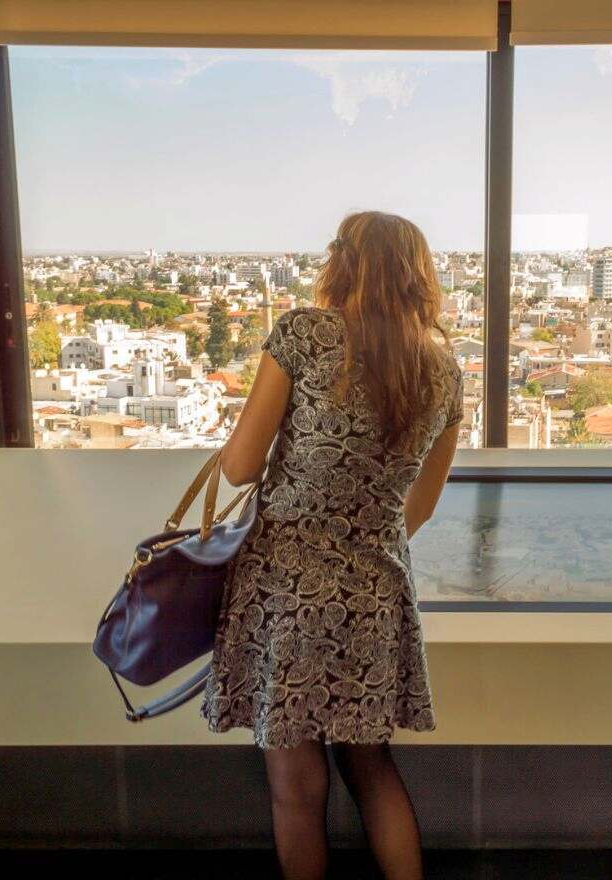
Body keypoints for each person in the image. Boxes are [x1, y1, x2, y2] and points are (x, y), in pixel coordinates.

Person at [201, 211, 464, 880]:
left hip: (285, 587)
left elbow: (238, 466)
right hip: (375, 587)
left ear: (339, 263)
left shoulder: (302, 334)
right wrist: (360, 536)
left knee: (296, 781)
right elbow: (421, 506)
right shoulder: (442, 370)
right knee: (371, 768)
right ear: (417, 277)